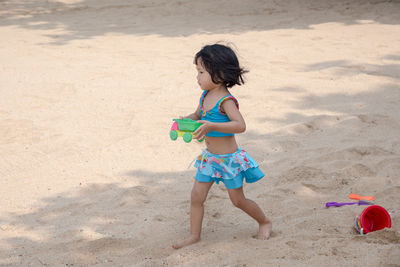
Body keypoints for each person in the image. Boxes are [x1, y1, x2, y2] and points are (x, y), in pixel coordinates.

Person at [172, 44, 272, 249]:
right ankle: (194, 235)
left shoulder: (226, 101)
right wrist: (186, 120)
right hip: (210, 159)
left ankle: (264, 222)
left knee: (237, 200)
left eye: (201, 72)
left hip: (229, 161)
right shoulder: (205, 96)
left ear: (219, 74)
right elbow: (198, 116)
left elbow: (240, 125)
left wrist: (212, 126)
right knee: (196, 197)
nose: (197, 77)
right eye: (197, 72)